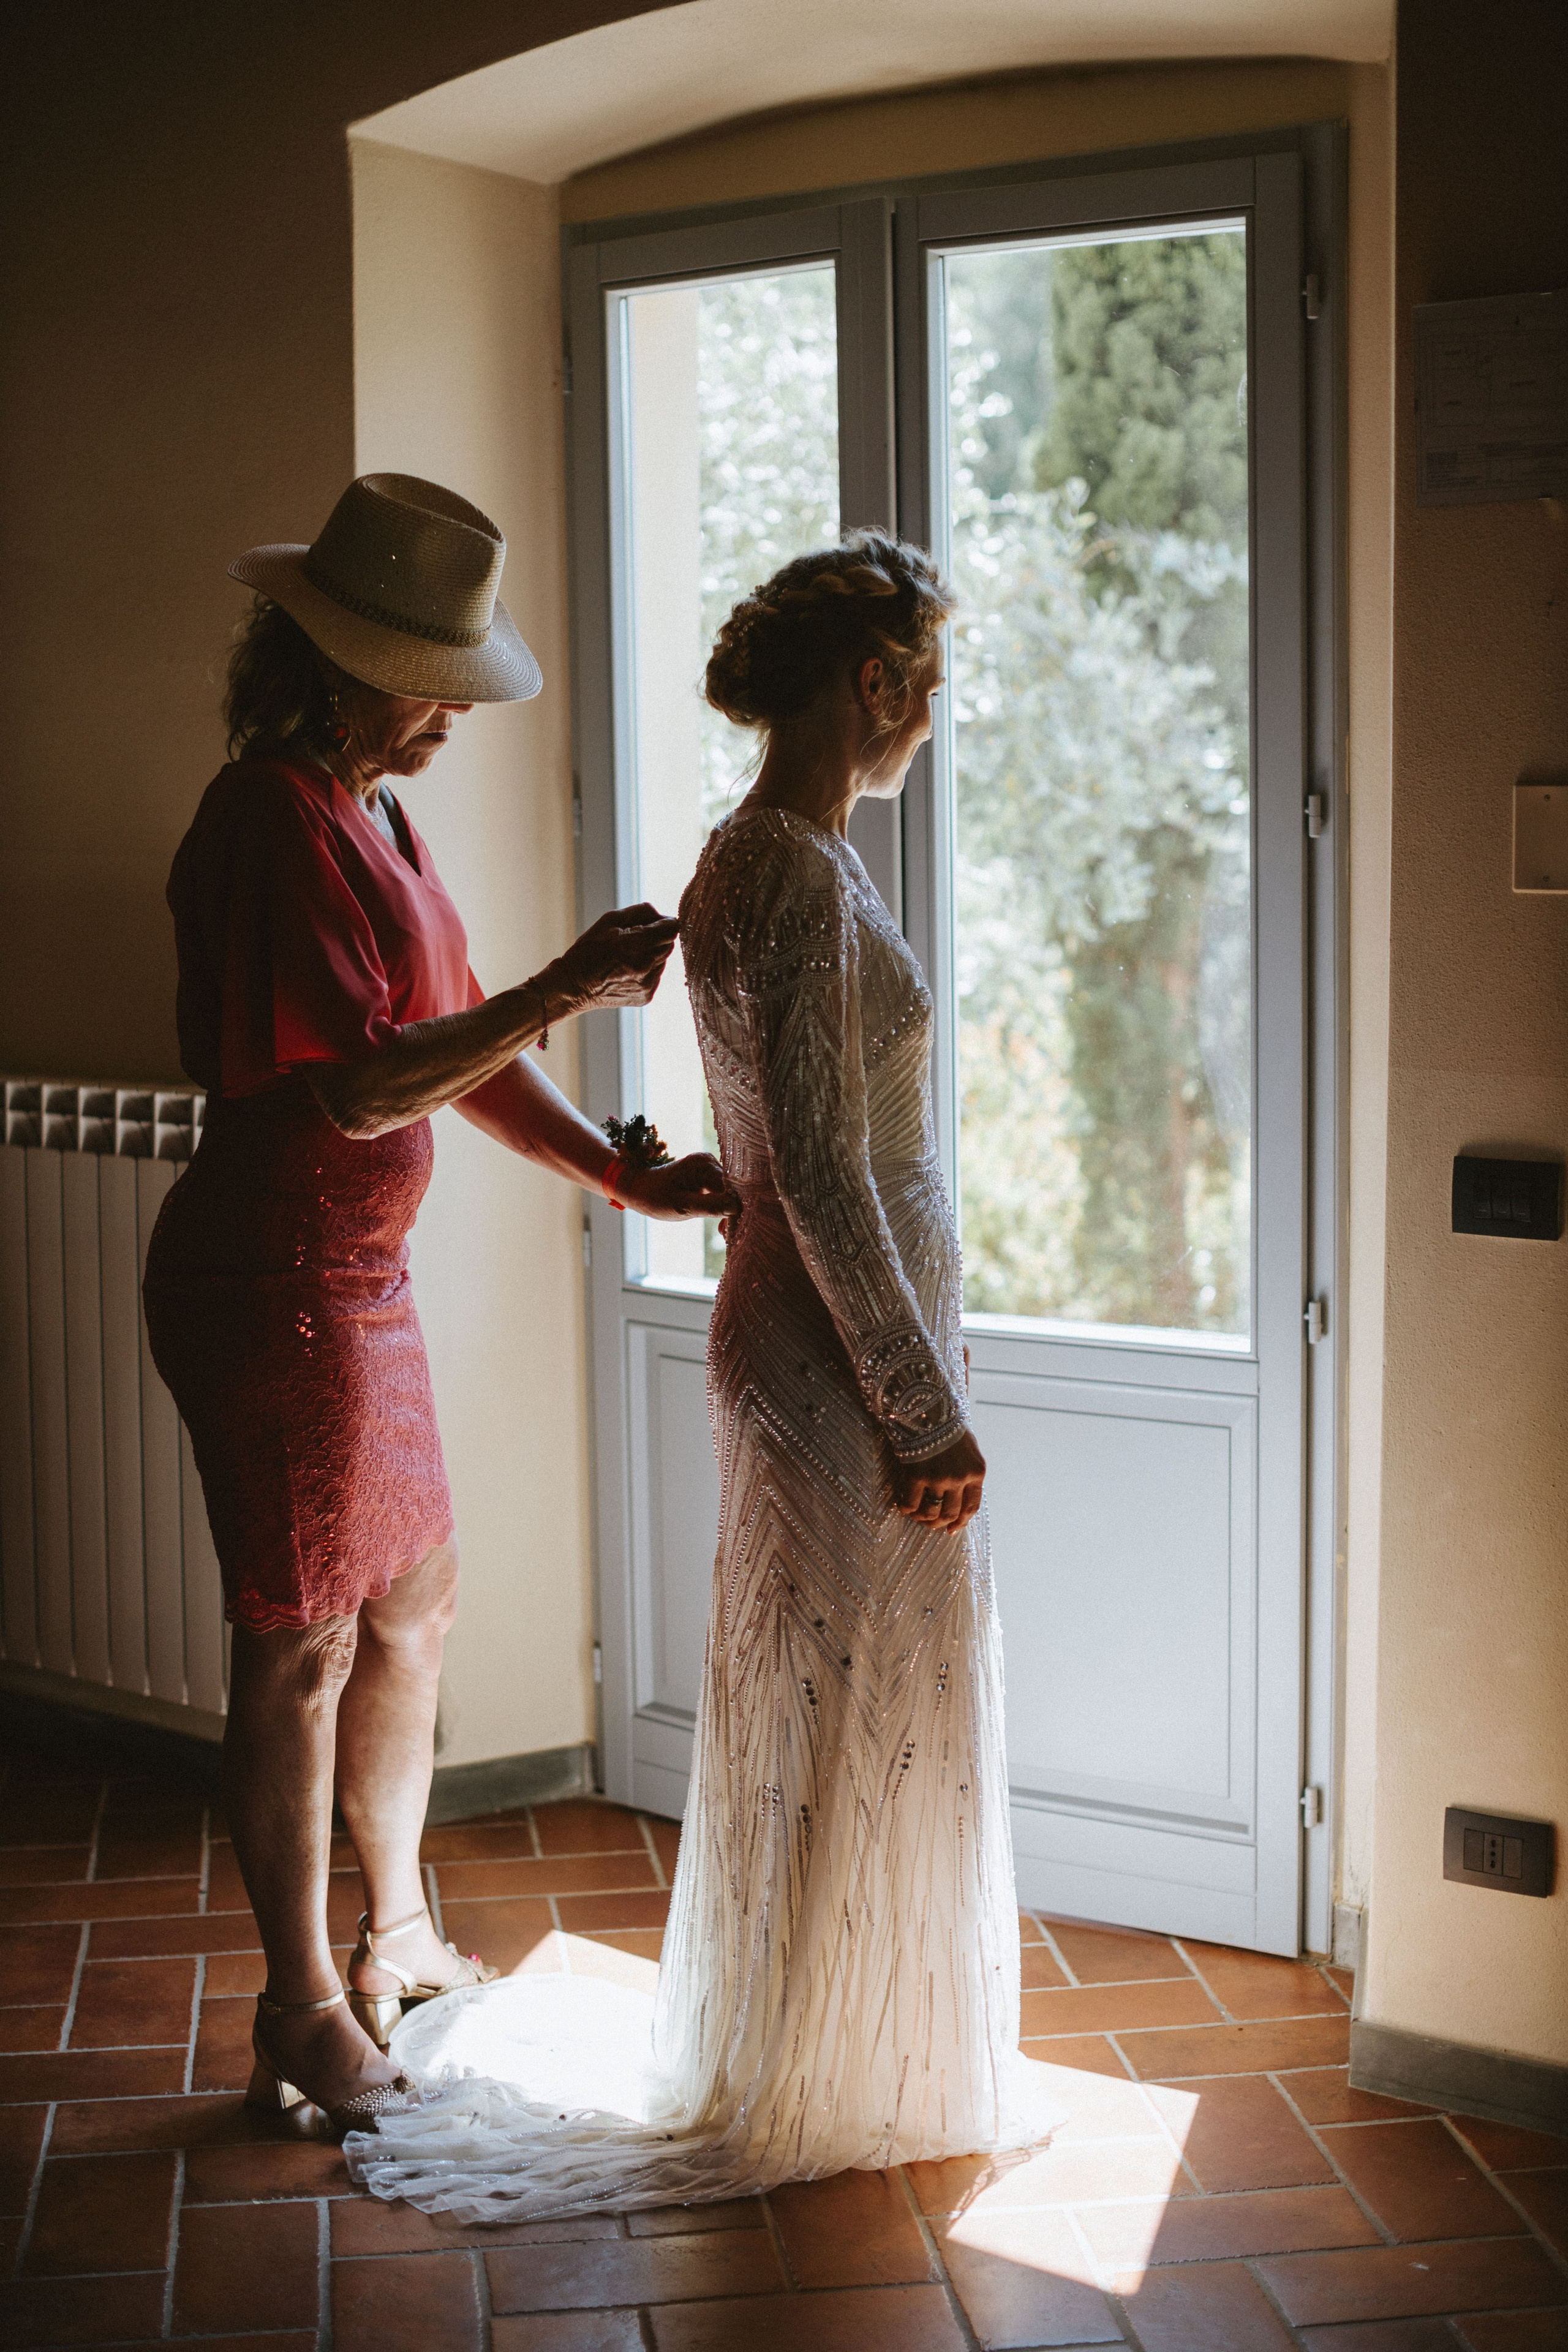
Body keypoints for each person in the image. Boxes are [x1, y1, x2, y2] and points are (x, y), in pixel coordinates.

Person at [347, 530, 1061, 2220]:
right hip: (830, 1357)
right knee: (854, 1695)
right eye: (926, 692)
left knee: (852, 1703)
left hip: (809, 1335)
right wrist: (917, 1399)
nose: (929, 729)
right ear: (874, 684)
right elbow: (817, 1169)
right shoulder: (794, 872)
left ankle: (847, 2046)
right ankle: (831, 2061)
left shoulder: (768, 855)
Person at [142, 473, 735, 2138]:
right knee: (303, 1644)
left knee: (416, 1607)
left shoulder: (378, 816)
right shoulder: (266, 815)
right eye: (428, 688)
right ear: (332, 663)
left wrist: (622, 1178)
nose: (449, 727)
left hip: (360, 1293)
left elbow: (458, 1041)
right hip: (273, 1293)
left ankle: (394, 1932)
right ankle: (299, 2009)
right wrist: (566, 983)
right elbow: (352, 1093)